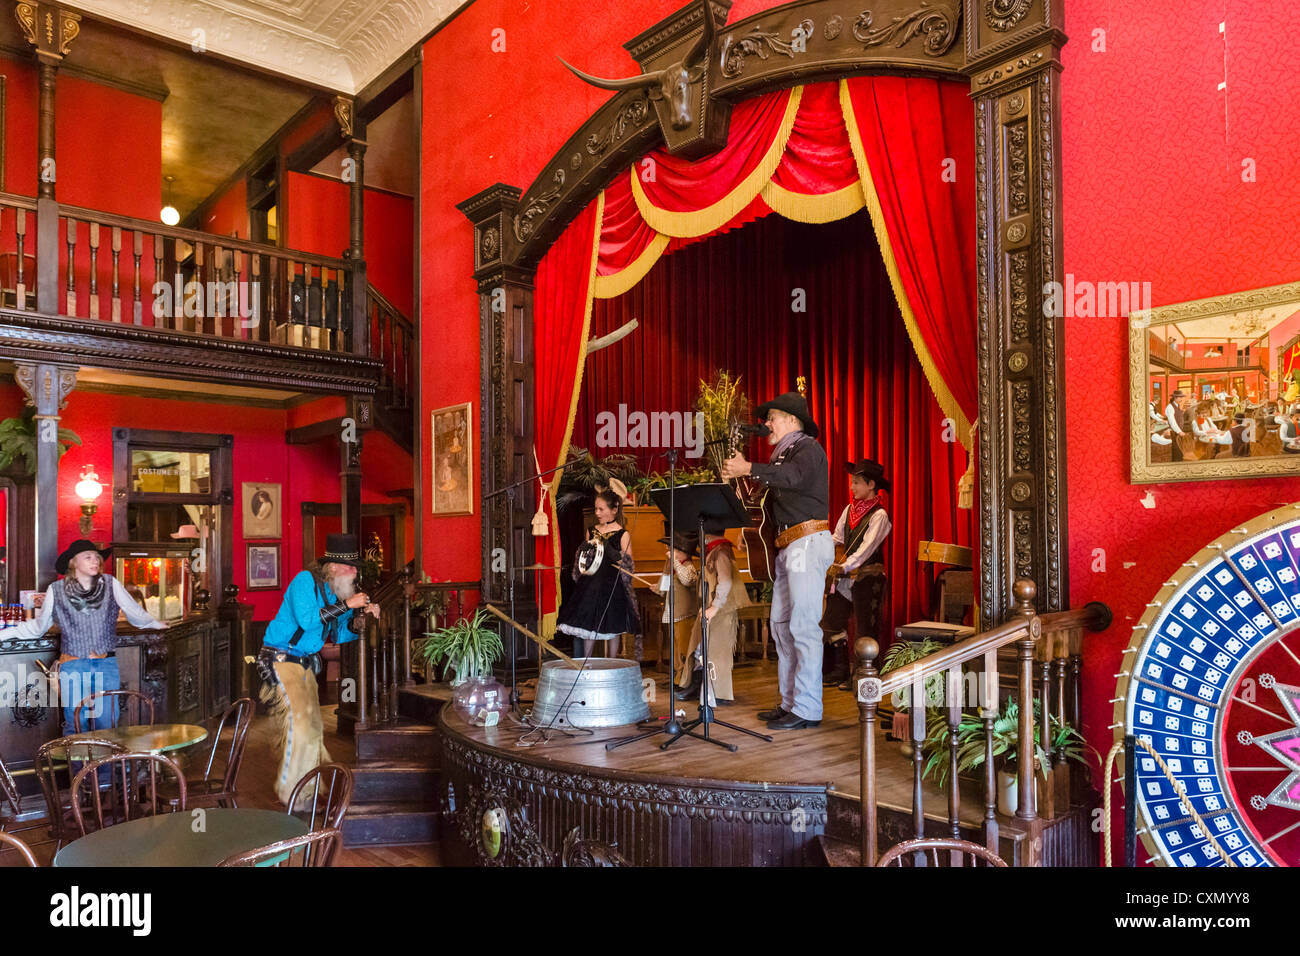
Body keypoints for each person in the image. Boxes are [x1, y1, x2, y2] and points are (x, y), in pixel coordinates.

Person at [721, 391, 832, 730]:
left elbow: (792, 478)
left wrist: (749, 467)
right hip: (788, 546)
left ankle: (808, 709)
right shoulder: (784, 456)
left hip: (807, 543)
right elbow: (770, 498)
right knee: (781, 627)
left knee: (802, 627)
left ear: (793, 421)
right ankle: (790, 702)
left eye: (773, 417)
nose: (767, 423)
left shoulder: (807, 449)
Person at [257, 533, 379, 805]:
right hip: (280, 658)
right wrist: (349, 605)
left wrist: (365, 616)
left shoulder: (334, 592)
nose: (355, 572)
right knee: (301, 727)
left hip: (303, 663)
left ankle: (307, 793)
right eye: (351, 567)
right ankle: (294, 796)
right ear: (333, 567)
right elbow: (309, 620)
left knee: (313, 729)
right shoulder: (304, 581)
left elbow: (340, 635)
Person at [0, 539, 167, 734]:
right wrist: (5, 634)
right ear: (73, 562)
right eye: (88, 557)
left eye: (96, 557)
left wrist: (155, 623)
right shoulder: (56, 590)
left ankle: (105, 766)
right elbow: (38, 628)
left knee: (107, 727)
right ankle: (81, 766)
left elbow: (136, 614)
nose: (95, 560)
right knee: (76, 725)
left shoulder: (111, 584)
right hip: (73, 666)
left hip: (106, 665)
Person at [821, 460, 892, 689]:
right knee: (832, 622)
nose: (852, 487)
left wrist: (844, 566)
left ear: (871, 485)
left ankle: (863, 678)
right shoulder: (849, 510)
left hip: (868, 578)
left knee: (866, 630)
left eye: (856, 482)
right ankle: (840, 670)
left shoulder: (880, 515)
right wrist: (818, 547)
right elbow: (837, 537)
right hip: (846, 575)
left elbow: (866, 550)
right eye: (852, 482)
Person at [556, 485, 640, 658]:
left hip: (612, 586)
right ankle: (587, 664)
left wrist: (612, 552)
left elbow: (629, 565)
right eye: (596, 509)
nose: (598, 513)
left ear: (614, 509)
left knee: (612, 626)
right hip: (591, 585)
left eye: (601, 509)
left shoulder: (623, 534)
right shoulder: (591, 531)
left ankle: (611, 665)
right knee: (589, 624)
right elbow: (585, 560)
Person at [675, 520, 750, 706]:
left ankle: (717, 691)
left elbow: (725, 582)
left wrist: (715, 606)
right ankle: (699, 684)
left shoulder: (721, 551)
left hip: (720, 612)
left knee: (716, 652)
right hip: (710, 609)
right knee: (700, 648)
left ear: (706, 534)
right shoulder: (712, 552)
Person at [657, 530, 698, 683]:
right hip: (673, 614)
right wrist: (658, 587)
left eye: (672, 549)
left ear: (683, 552)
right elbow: (665, 587)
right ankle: (678, 677)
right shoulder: (672, 567)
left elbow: (687, 580)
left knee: (684, 649)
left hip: (685, 615)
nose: (669, 552)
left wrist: (674, 561)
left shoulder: (688, 567)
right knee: (675, 649)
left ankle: (687, 680)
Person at [1164, 390, 1190, 461]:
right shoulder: (1170, 407)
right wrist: (1179, 431)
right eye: (1179, 397)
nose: (1181, 399)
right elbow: (1172, 422)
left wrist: (1183, 410)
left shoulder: (1177, 405)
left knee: (1180, 450)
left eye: (1182, 397)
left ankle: (1180, 463)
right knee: (1176, 451)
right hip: (1174, 432)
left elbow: (1178, 416)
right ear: (1175, 398)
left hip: (1178, 431)